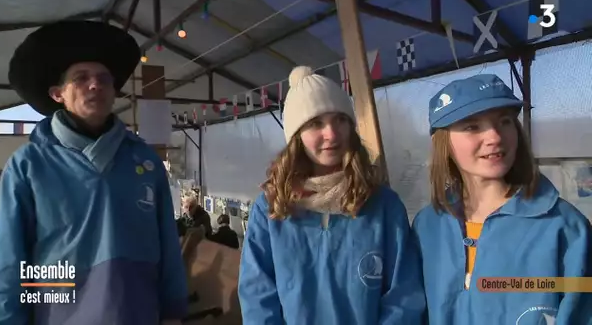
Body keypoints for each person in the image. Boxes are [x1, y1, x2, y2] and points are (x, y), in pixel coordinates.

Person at [0, 21, 188, 325]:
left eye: (105, 78)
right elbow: (8, 263)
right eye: (81, 78)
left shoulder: (145, 162)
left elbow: (169, 248)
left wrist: (173, 312)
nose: (96, 84)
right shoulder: (28, 165)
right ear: (57, 94)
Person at [238, 66, 426, 324]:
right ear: (297, 136)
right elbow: (257, 296)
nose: (332, 134)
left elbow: (403, 297)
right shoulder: (273, 206)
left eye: (340, 119)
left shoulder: (383, 205)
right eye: (316, 123)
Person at [412, 74, 592, 324]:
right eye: (472, 126)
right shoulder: (428, 226)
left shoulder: (564, 226)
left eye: (505, 121)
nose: (495, 137)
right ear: (442, 142)